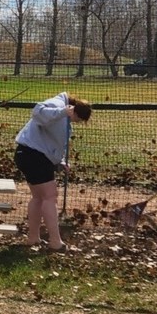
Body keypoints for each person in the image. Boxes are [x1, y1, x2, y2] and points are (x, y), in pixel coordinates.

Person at [13, 92, 92, 251]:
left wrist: (59, 162)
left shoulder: (64, 117)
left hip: (26, 154)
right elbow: (37, 112)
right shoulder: (57, 106)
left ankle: (33, 238)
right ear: (75, 111)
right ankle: (55, 241)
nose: (77, 122)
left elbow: (51, 141)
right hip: (34, 156)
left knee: (38, 197)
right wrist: (62, 112)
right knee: (50, 197)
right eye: (79, 119)